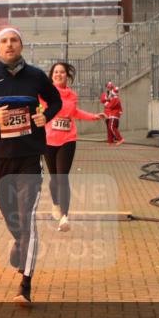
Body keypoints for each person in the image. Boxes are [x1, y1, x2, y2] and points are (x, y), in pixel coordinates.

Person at [0, 27, 61, 305]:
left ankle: (25, 284)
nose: (9, 45)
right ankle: (19, 241)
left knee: (27, 217)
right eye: (4, 41)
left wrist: (47, 116)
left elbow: (55, 100)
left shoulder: (36, 76)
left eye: (14, 40)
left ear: (21, 45)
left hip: (30, 155)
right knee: (11, 216)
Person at [42, 62, 105, 232]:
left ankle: (64, 217)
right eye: (56, 72)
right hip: (48, 140)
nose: (59, 75)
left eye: (62, 72)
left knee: (62, 177)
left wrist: (93, 117)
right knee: (54, 179)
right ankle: (55, 203)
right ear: (51, 75)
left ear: (67, 76)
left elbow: (74, 113)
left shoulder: (72, 95)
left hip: (68, 139)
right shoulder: (45, 94)